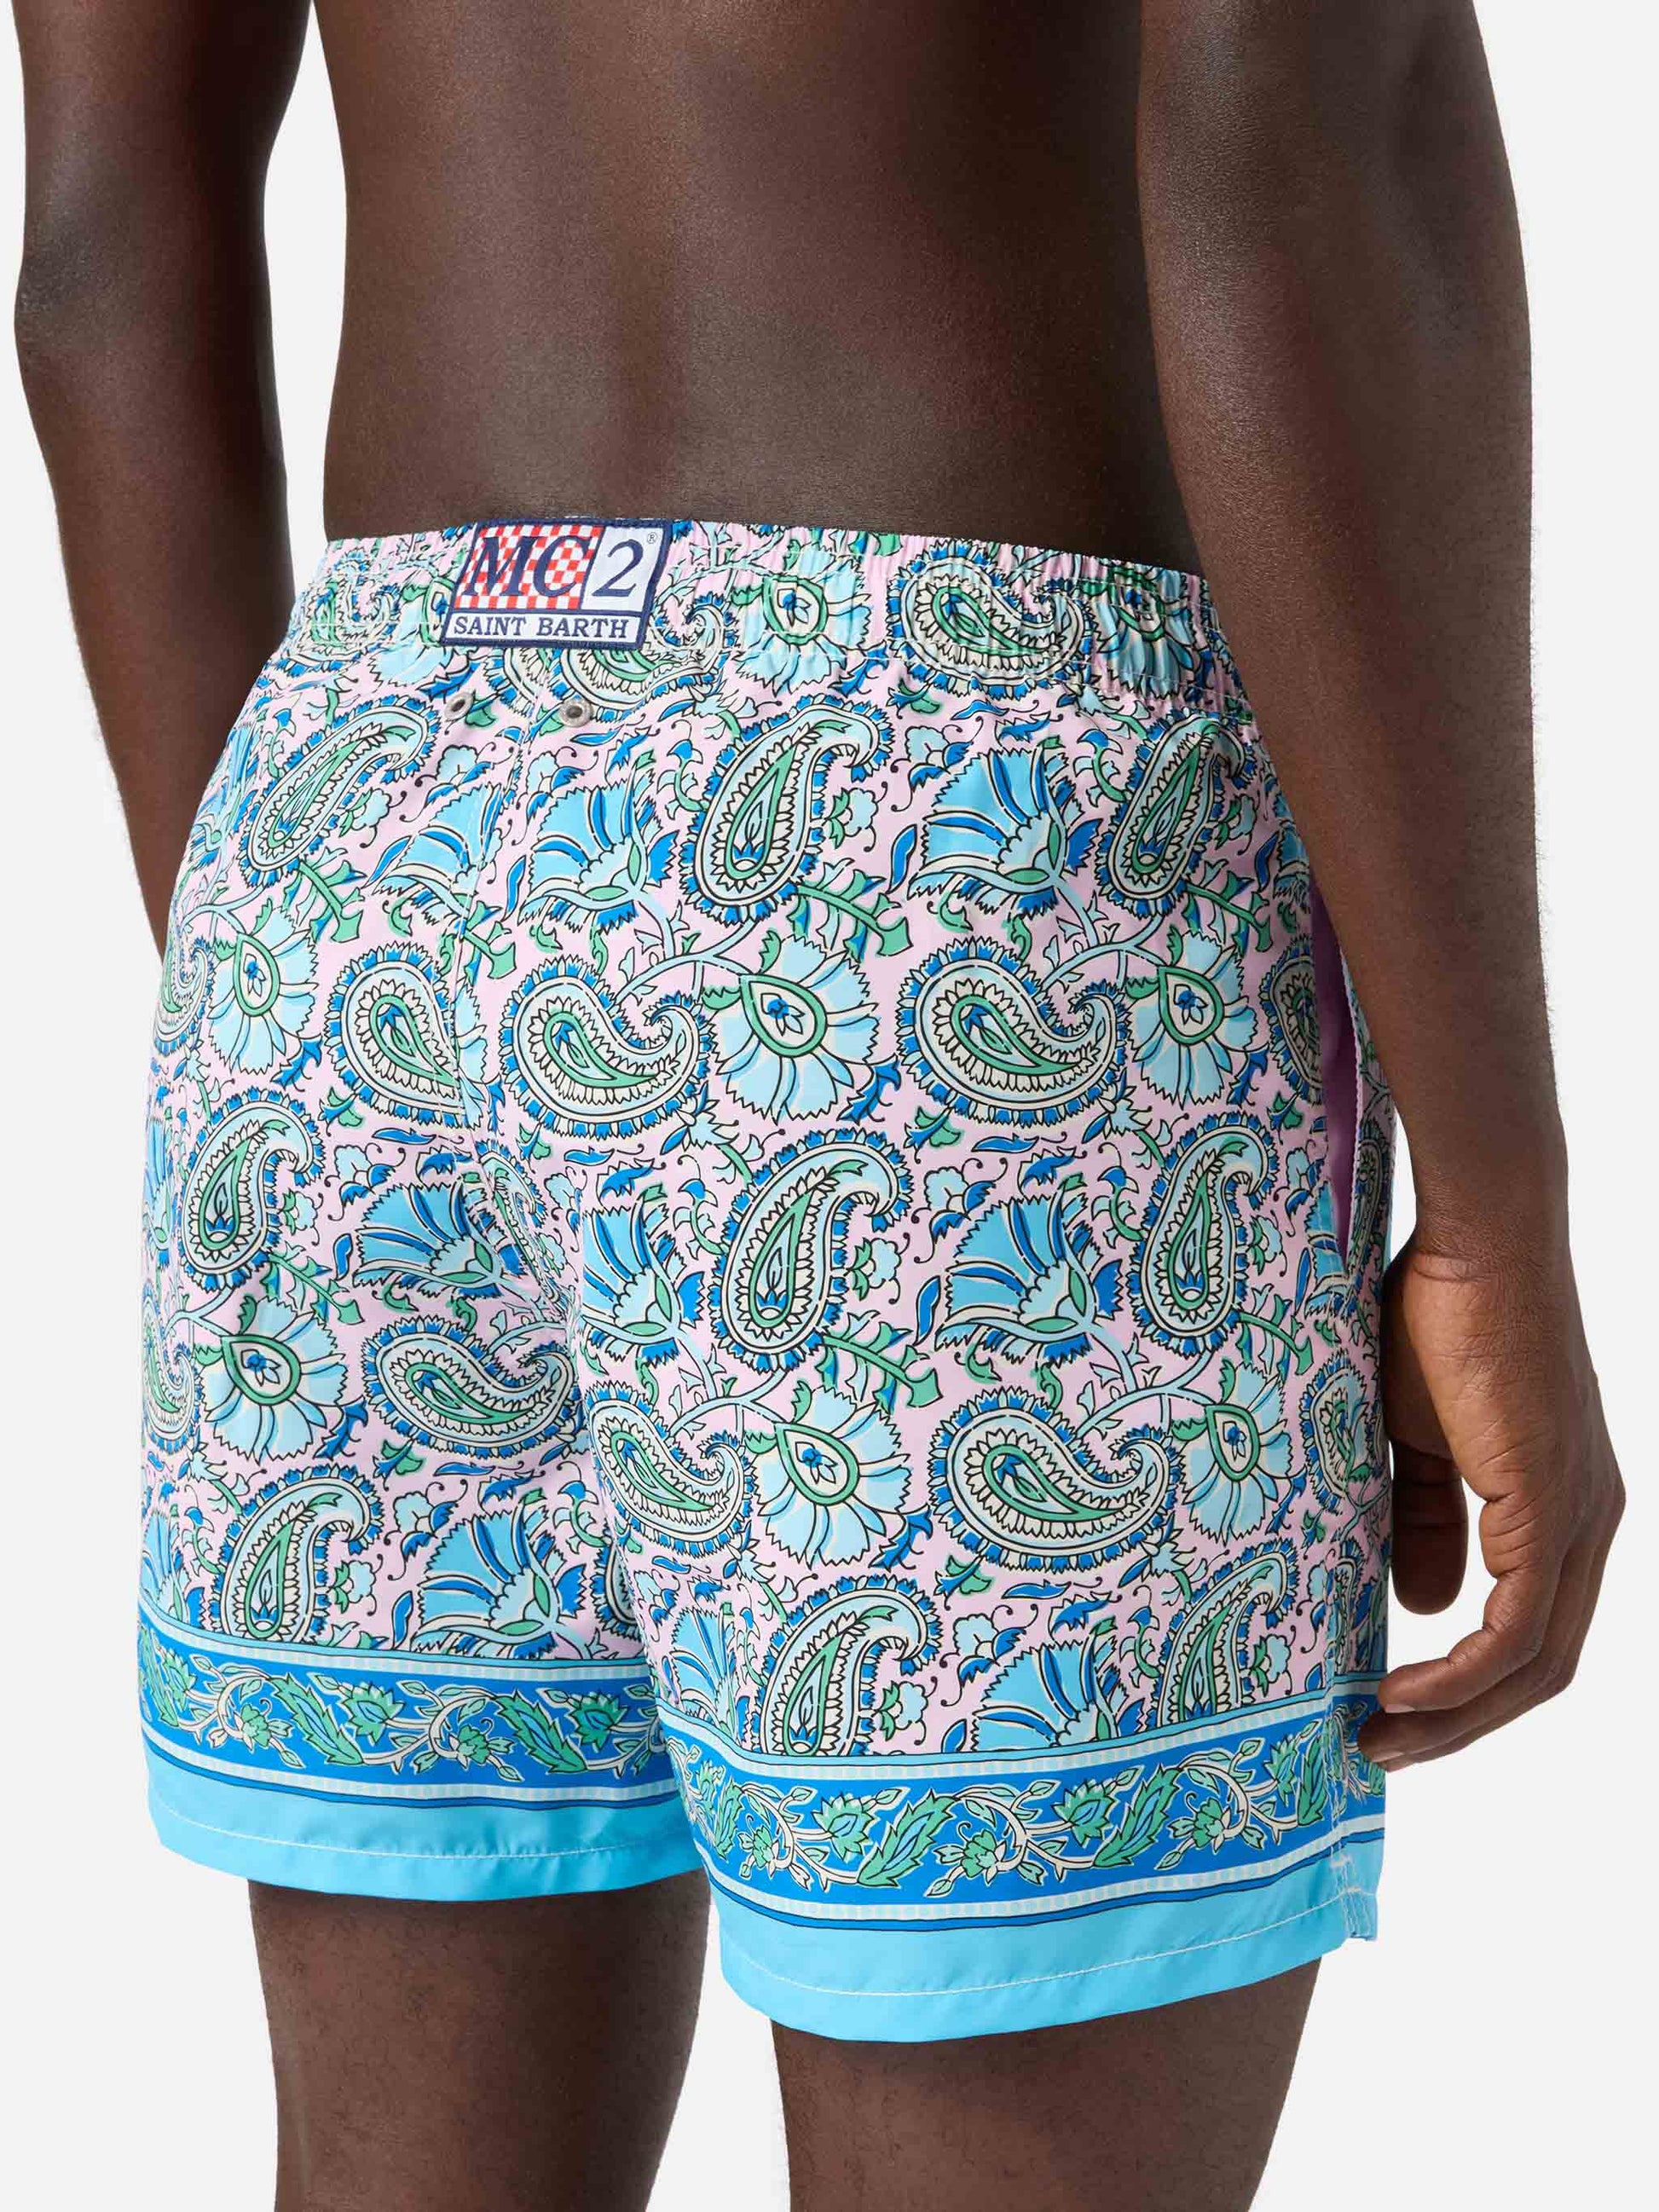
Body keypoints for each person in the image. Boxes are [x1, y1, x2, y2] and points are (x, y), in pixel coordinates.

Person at [12, 3, 1625, 2207]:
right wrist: (1498, 1211)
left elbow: (101, 253)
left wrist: (302, 983)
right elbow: (1311, 133)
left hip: (349, 836)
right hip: (943, 845)